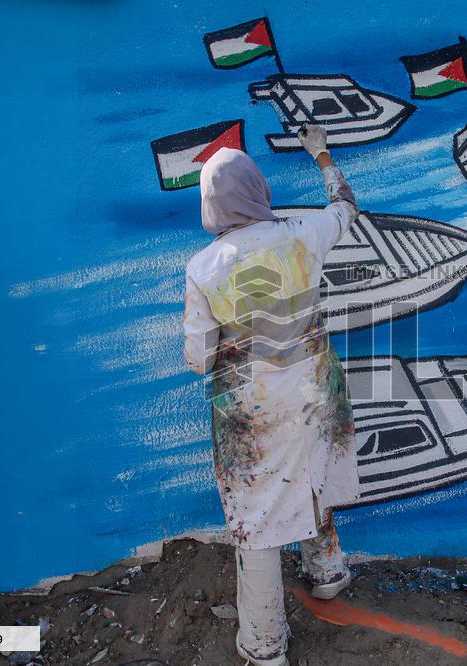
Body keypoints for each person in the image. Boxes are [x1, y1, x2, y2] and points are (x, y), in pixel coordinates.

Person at [182, 125, 359, 666]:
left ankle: (264, 644)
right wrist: (321, 153)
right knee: (313, 474)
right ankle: (327, 573)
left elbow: (199, 358)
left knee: (257, 515)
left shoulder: (204, 268)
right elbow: (347, 206)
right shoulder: (303, 233)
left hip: (253, 407)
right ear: (257, 187)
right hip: (316, 386)